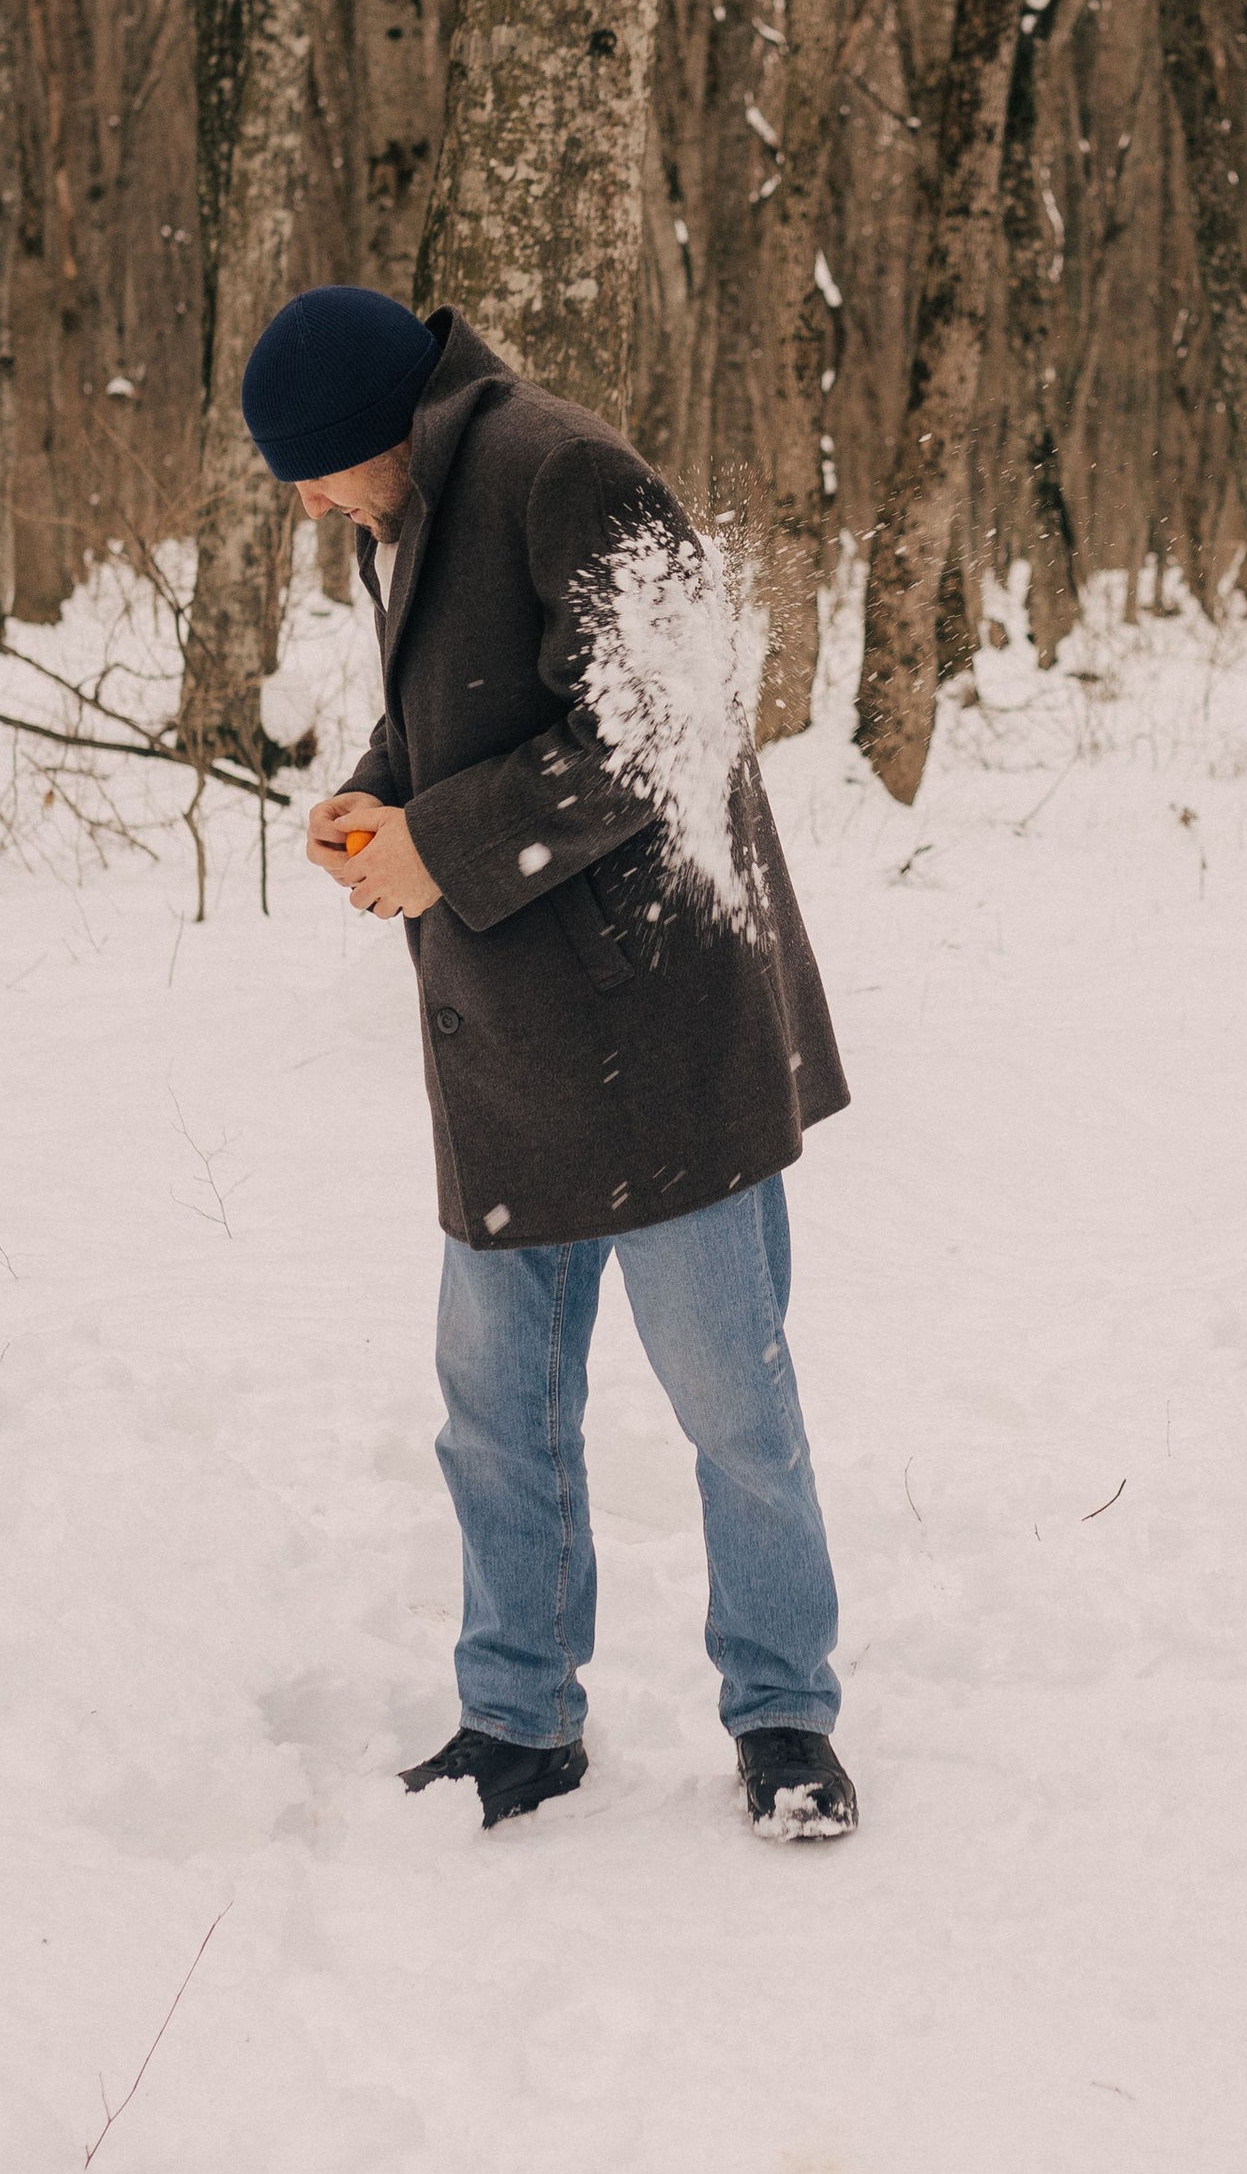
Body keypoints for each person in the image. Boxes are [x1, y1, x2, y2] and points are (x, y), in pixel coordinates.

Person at [242, 283, 858, 1840]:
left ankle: (785, 1715)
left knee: (732, 1402)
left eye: (313, 469)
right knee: (495, 1407)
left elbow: (669, 718)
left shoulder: (559, 468)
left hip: (655, 1035)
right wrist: (380, 803)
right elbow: (471, 717)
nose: (312, 504)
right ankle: (519, 1719)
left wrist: (437, 847)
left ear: (375, 428)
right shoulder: (415, 509)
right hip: (511, 1047)